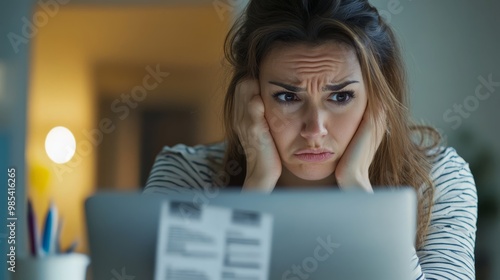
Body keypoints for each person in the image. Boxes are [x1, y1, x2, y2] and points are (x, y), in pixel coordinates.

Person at [143, 0, 477, 279]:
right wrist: (255, 188)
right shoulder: (188, 175)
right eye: (288, 97)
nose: (314, 129)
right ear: (251, 96)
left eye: (341, 96)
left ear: (378, 100)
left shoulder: (436, 179)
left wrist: (361, 193)